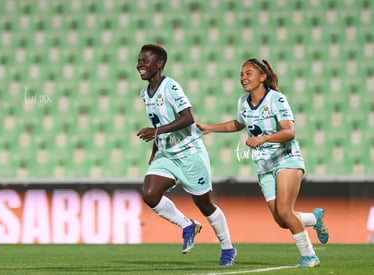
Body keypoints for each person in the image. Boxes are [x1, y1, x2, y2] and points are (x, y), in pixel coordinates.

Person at [196, 58, 329, 268]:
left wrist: (263, 138)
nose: (243, 78)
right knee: (281, 220)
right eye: (241, 74)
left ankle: (310, 257)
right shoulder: (243, 102)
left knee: (285, 211)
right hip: (264, 167)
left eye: (248, 73)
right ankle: (314, 218)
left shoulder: (276, 99)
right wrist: (210, 127)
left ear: (263, 77)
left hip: (287, 159)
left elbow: (289, 131)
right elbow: (238, 124)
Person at [136, 44, 236, 266]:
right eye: (139, 60)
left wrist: (156, 132)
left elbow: (188, 117)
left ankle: (227, 247)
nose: (140, 64)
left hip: (190, 153)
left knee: (205, 205)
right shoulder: (145, 93)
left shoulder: (171, 87)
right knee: (150, 194)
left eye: (145, 61)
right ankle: (187, 225)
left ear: (159, 64)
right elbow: (158, 123)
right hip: (167, 154)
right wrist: (155, 149)